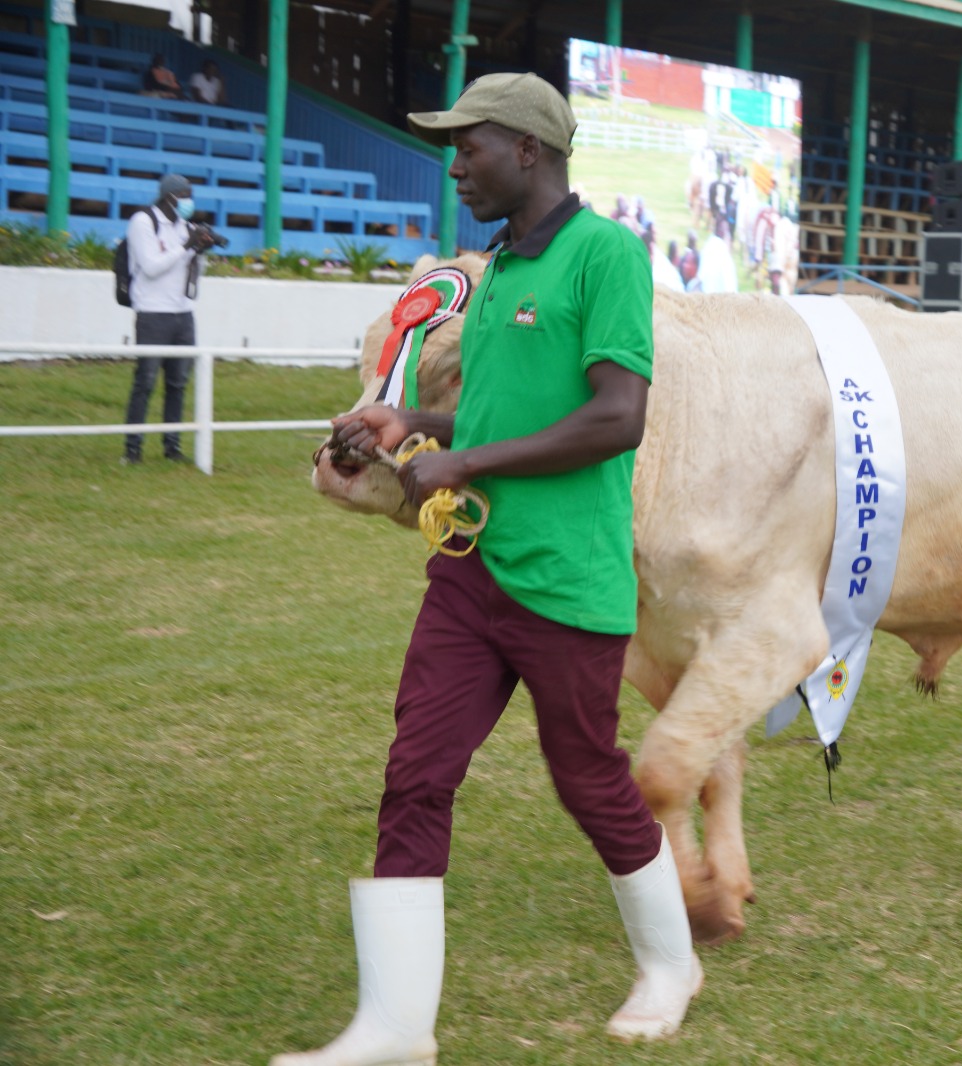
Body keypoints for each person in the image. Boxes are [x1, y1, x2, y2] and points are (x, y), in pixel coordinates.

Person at [271, 72, 700, 1066]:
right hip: (471, 570)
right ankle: (395, 1027)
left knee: (588, 775)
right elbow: (504, 419)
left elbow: (614, 418)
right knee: (415, 771)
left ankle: (670, 964)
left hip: (568, 583)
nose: (453, 163)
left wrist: (461, 463)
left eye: (469, 146)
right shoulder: (500, 265)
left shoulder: (606, 256)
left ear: (528, 152)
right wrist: (412, 424)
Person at [122, 174, 216, 464]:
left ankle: (171, 446)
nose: (189, 201)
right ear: (170, 196)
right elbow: (150, 267)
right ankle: (132, 449)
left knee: (178, 382)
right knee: (146, 381)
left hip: (182, 313)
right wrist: (187, 246)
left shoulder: (184, 227)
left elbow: (191, 270)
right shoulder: (143, 222)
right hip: (152, 312)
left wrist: (200, 249)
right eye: (185, 195)